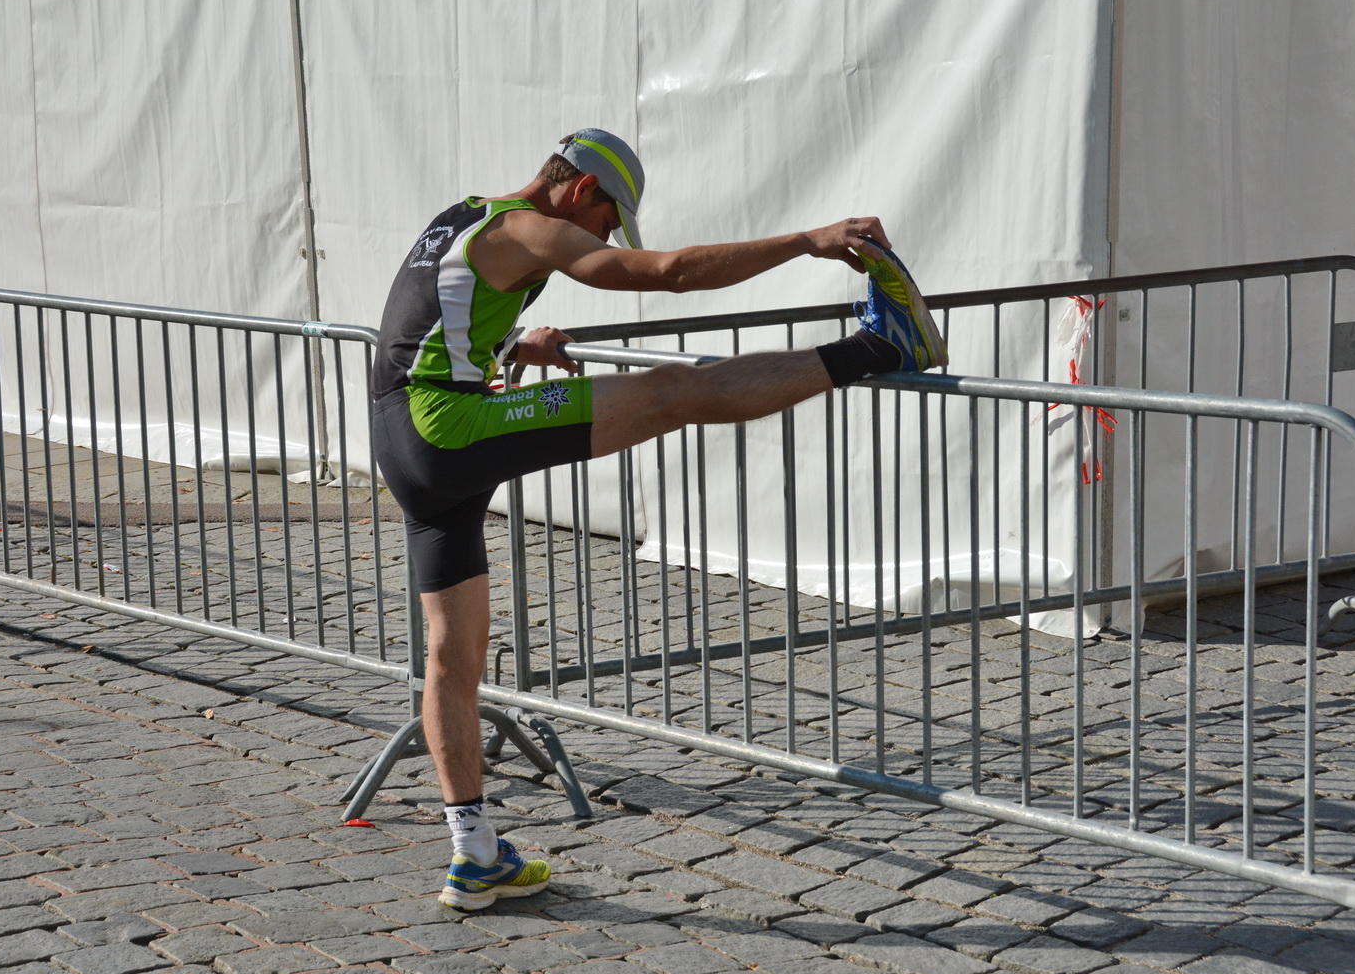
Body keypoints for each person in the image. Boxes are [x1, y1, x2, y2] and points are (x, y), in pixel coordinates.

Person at [370, 128, 947, 912]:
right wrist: (808, 241)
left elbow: (426, 322)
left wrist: (513, 344)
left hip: (403, 439)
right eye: (607, 222)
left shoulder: (466, 216)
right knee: (675, 392)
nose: (602, 239)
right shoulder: (529, 229)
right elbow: (668, 274)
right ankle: (880, 346)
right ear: (580, 191)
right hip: (447, 426)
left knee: (452, 655)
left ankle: (473, 854)